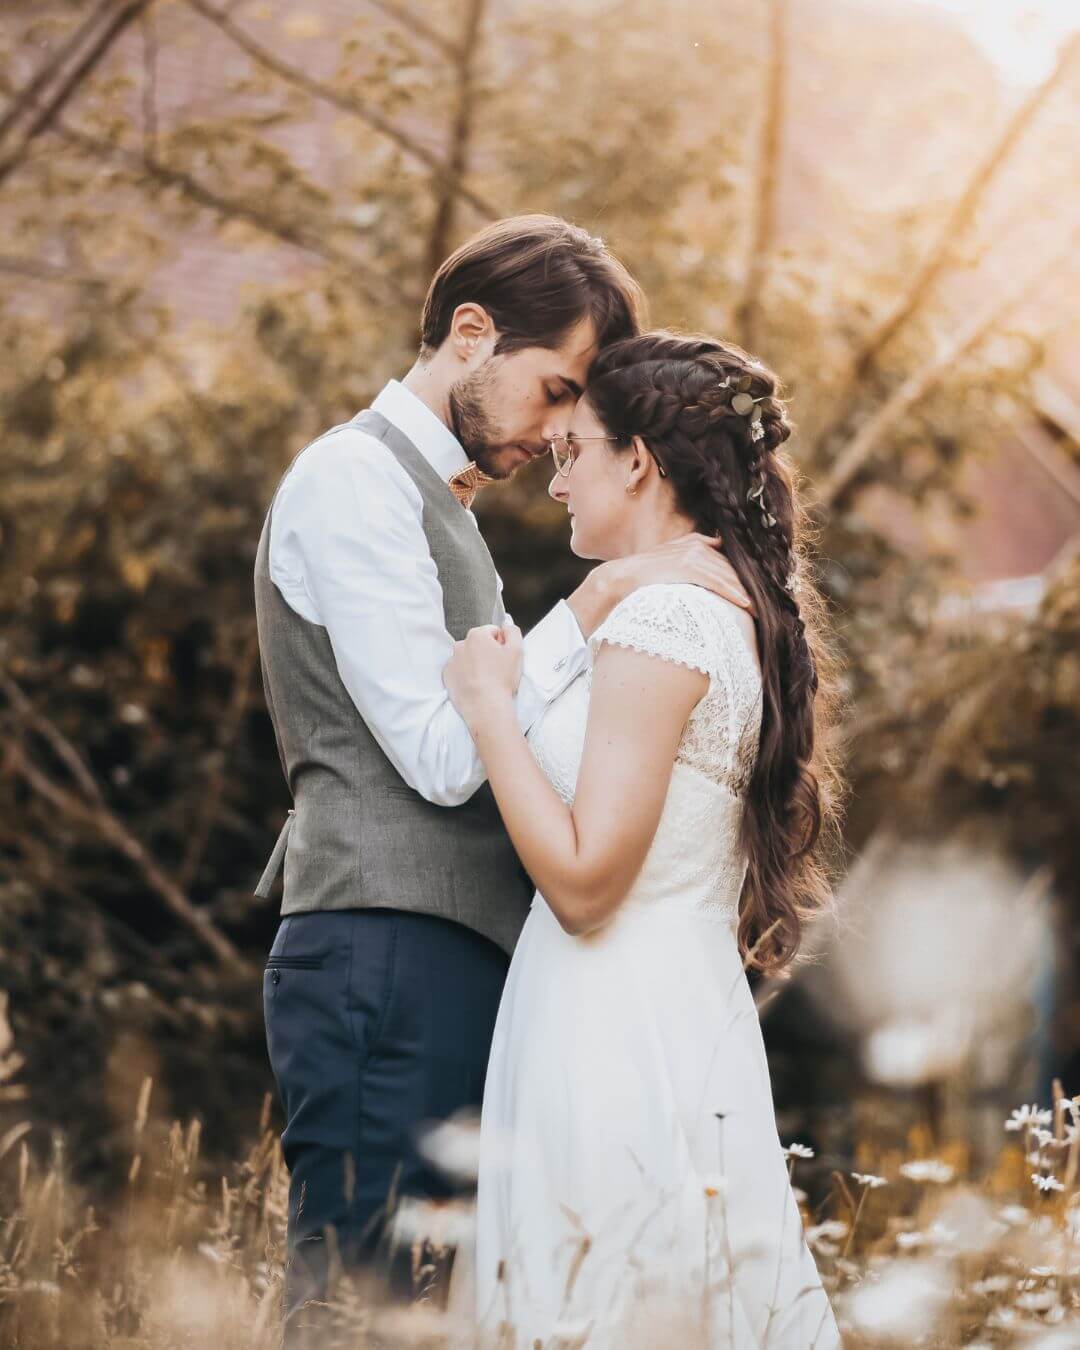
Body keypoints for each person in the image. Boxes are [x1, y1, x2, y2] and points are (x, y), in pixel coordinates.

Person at [252, 217, 753, 1341]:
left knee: (426, 1314)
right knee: (358, 1306)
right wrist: (595, 606)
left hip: (444, 957)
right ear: (471, 334)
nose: (559, 428)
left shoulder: (446, 511)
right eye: (554, 388)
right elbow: (439, 753)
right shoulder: (352, 482)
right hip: (383, 947)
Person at [443, 332, 844, 1347]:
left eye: (573, 452)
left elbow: (584, 885)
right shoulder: (709, 606)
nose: (557, 482)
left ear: (640, 461)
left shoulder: (664, 620)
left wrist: (491, 713)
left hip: (609, 1023)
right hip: (672, 1006)